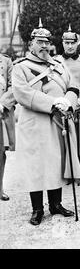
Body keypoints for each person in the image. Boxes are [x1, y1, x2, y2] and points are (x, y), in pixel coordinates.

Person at [12, 19, 80, 225]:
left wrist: (67, 102)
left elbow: (74, 85)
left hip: (57, 122)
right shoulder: (20, 67)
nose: (44, 45)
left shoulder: (59, 65)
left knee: (56, 162)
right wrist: (53, 102)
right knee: (35, 165)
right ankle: (37, 209)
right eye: (40, 41)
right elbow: (22, 93)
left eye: (47, 41)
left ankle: (56, 204)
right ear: (31, 43)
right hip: (34, 123)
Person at [56, 25, 80, 183]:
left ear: (78, 44)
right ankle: (65, 172)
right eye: (67, 43)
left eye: (72, 43)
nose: (70, 46)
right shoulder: (56, 61)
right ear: (62, 43)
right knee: (63, 138)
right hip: (62, 106)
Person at [0, 52, 16, 201]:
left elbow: (14, 86)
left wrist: (3, 103)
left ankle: (0, 188)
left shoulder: (6, 61)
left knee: (0, 153)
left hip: (1, 113)